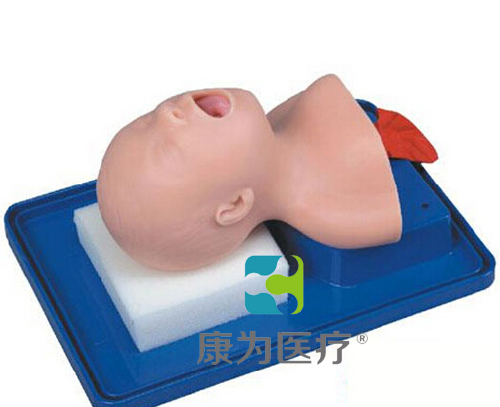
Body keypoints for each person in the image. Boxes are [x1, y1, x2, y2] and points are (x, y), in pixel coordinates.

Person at [97, 75, 409, 271]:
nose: (167, 113)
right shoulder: (344, 209)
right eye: (168, 149)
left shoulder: (286, 116)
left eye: (147, 121)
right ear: (235, 205)